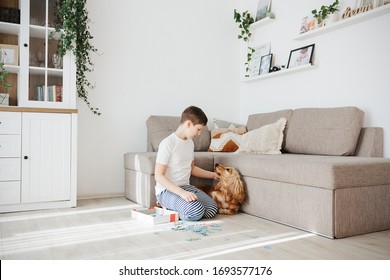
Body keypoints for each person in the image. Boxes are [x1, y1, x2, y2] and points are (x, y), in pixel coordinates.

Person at [154, 106, 219, 221]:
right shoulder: (168, 143)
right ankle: (166, 207)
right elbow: (159, 175)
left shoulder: (190, 143)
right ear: (188, 124)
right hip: (167, 191)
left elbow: (192, 168)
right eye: (198, 129)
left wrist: (213, 175)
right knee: (196, 211)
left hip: (186, 187)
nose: (199, 133)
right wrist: (182, 193)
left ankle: (180, 208)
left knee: (212, 209)